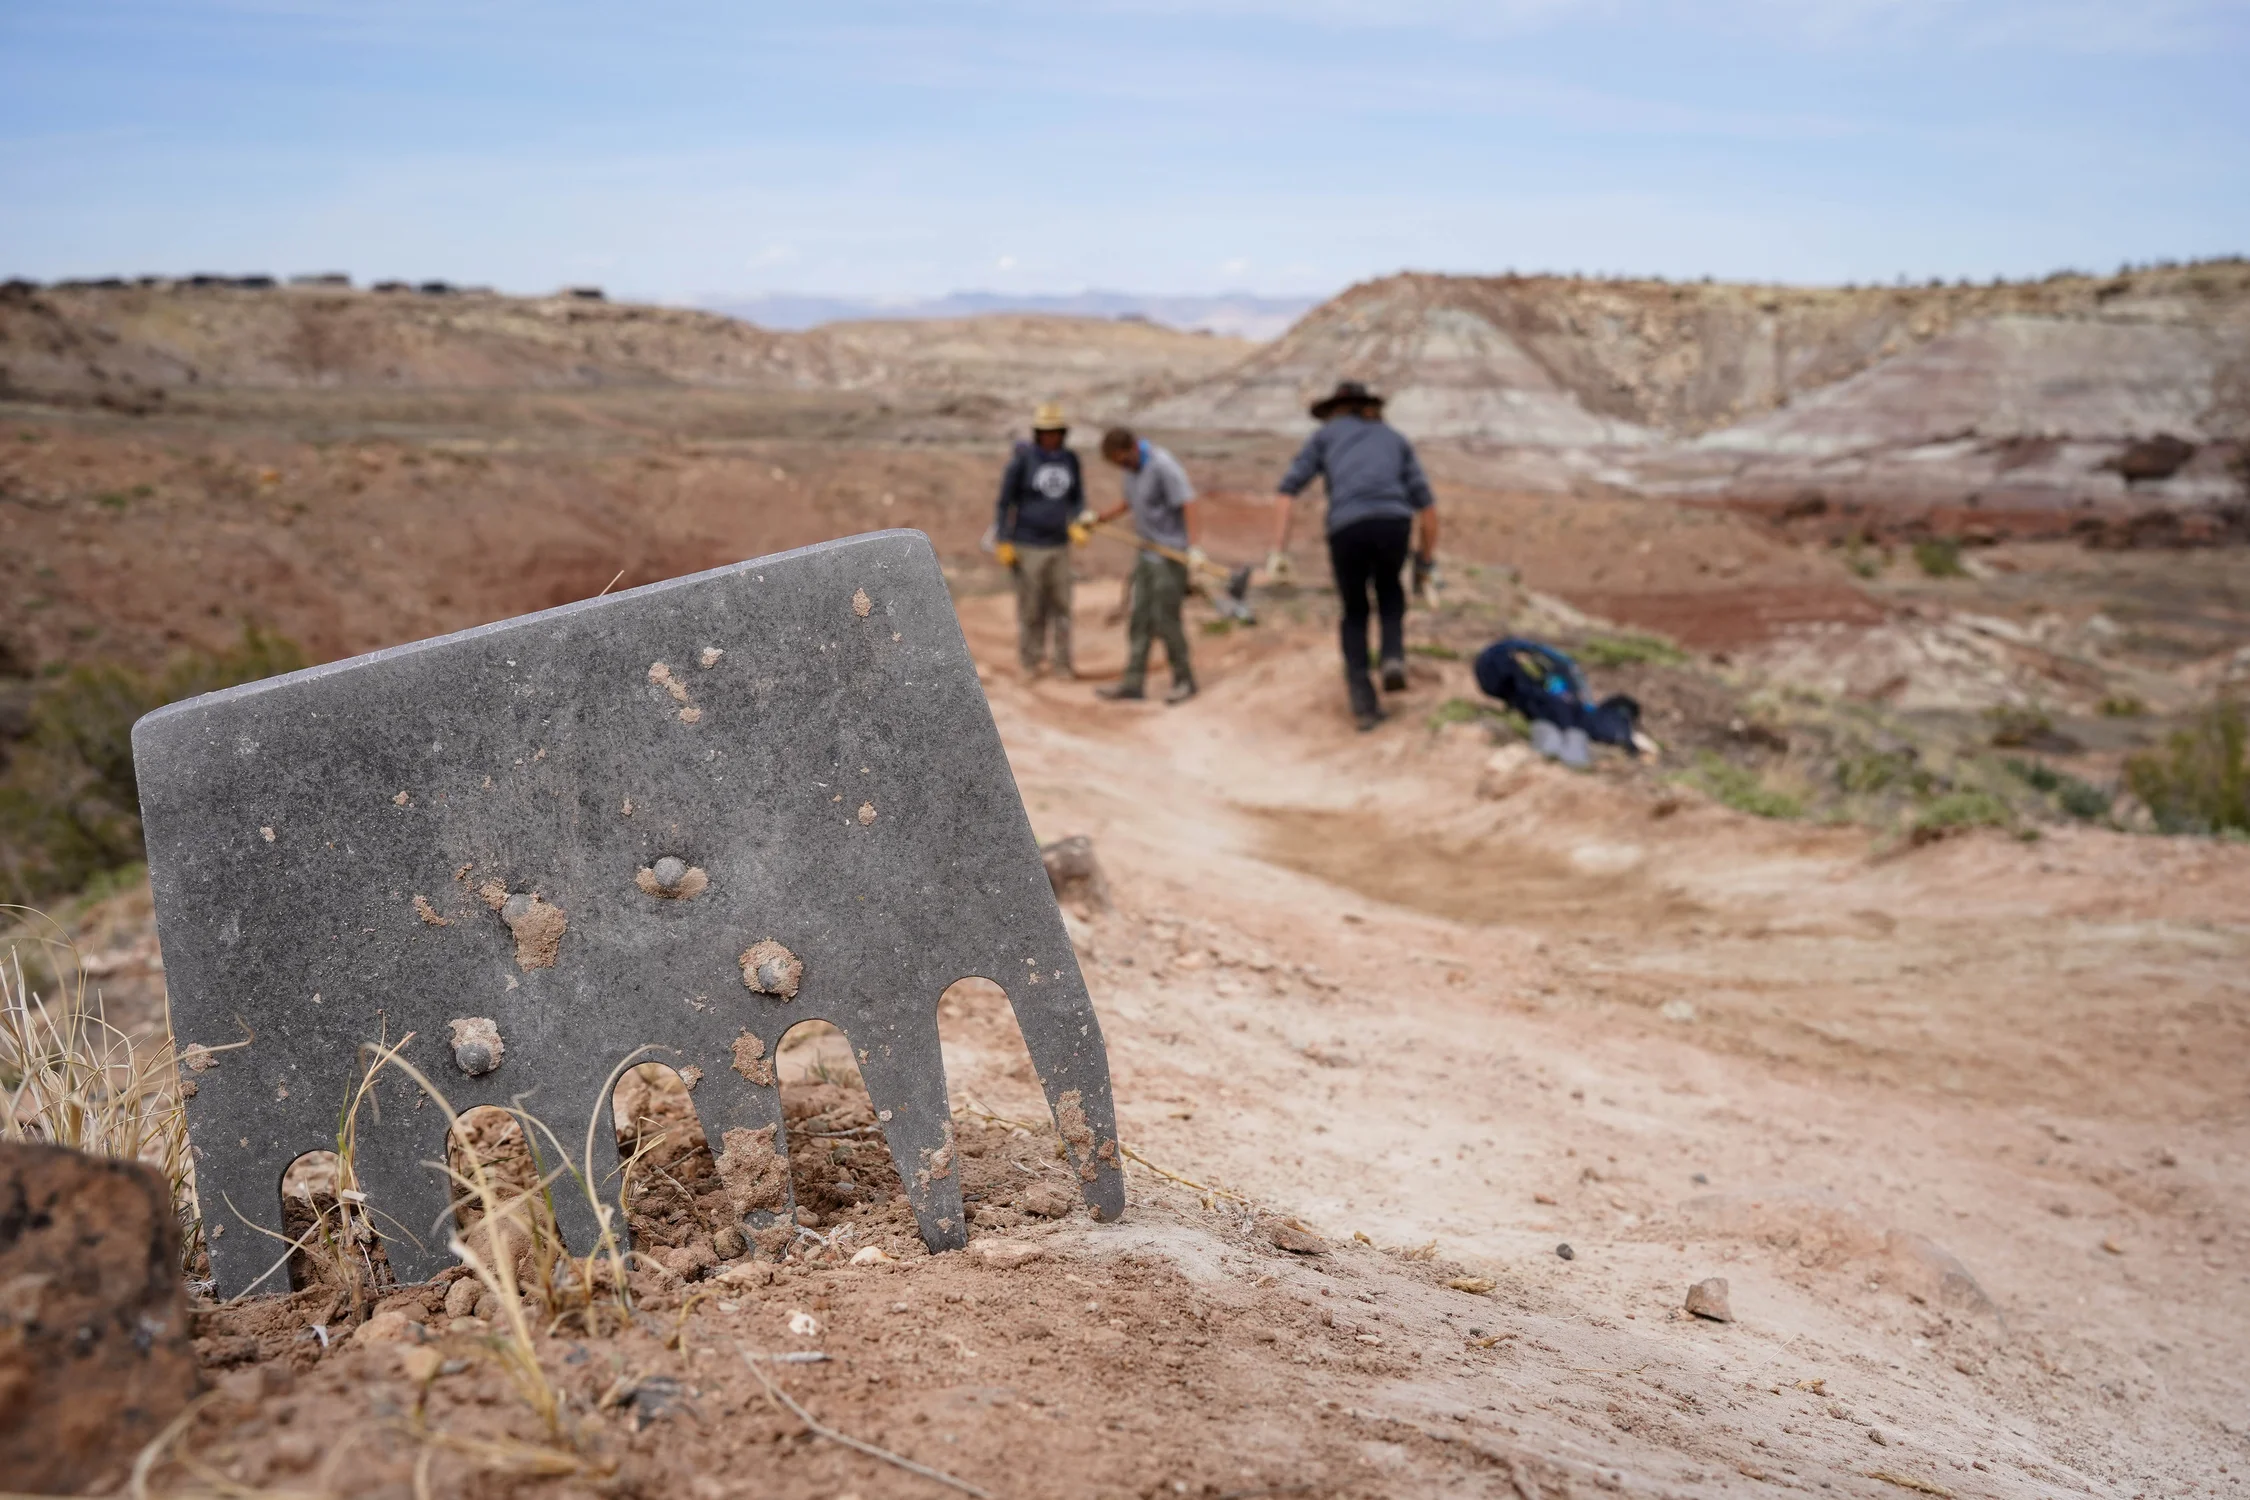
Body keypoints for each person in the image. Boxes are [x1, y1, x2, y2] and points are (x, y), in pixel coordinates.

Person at [1268, 380, 1438, 731]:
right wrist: (1424, 562)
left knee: (1355, 611)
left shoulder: (1324, 437)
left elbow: (1287, 492)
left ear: (1333, 411)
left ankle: (1364, 703)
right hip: (1394, 521)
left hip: (1347, 526)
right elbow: (1428, 508)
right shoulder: (1394, 438)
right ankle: (1392, 657)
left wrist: (1278, 551)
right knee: (1391, 590)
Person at [1088, 426, 1199, 704]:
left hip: (1170, 556)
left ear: (1130, 449)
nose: (1120, 466)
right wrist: (1100, 518)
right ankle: (1133, 683)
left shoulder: (1163, 465)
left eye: (1120, 460)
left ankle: (1184, 680)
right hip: (1146, 554)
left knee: (1167, 620)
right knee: (1140, 620)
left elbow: (1188, 502)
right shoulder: (1131, 469)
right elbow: (1130, 502)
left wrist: (1193, 547)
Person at [992, 402, 1091, 678]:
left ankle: (1062, 665)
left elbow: (1077, 497)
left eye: (1056, 431)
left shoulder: (1070, 460)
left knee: (1062, 607)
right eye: (1047, 431)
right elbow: (1004, 503)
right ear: (1038, 433)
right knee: (1031, 608)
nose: (1052, 436)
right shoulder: (1023, 462)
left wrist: (1079, 521)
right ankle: (1030, 662)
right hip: (1028, 545)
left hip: (1059, 546)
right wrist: (1004, 540)